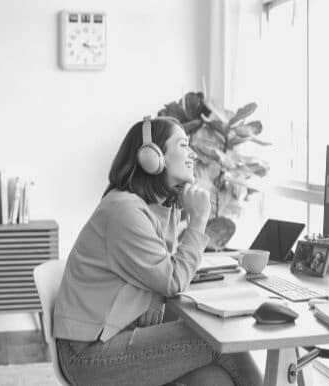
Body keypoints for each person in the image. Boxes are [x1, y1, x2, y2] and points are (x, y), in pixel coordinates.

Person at [53, 117, 262, 386]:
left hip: (115, 335)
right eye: (183, 145)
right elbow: (173, 281)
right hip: (88, 355)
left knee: (216, 379)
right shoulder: (124, 211)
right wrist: (198, 219)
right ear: (151, 157)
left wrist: (157, 291)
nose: (193, 154)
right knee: (219, 340)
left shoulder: (150, 207)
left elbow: (161, 271)